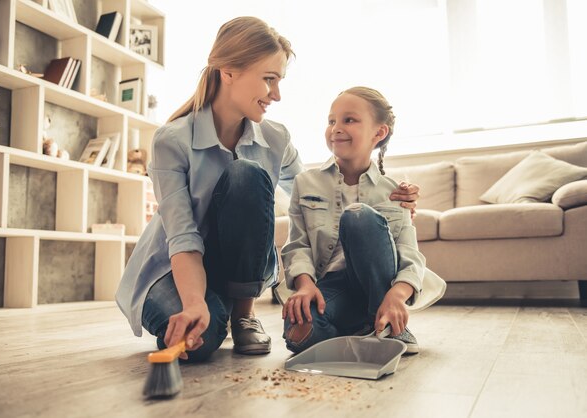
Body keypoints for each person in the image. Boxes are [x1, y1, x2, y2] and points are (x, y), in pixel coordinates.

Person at [115, 17, 420, 362]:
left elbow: (316, 194)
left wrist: (389, 200)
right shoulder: (172, 140)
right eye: (269, 80)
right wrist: (195, 302)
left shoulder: (276, 139)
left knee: (247, 175)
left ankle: (244, 313)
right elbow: (182, 235)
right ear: (229, 71)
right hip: (173, 270)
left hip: (234, 275)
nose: (276, 95)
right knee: (206, 338)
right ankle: (211, 313)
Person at [282, 86, 437, 355]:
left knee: (357, 215)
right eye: (331, 121)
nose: (336, 128)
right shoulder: (305, 182)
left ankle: (385, 318)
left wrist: (396, 296)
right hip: (331, 285)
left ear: (378, 133)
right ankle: (363, 328)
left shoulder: (395, 191)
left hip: (378, 286)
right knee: (298, 333)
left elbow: (410, 255)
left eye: (349, 120)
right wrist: (305, 285)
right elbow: (297, 245)